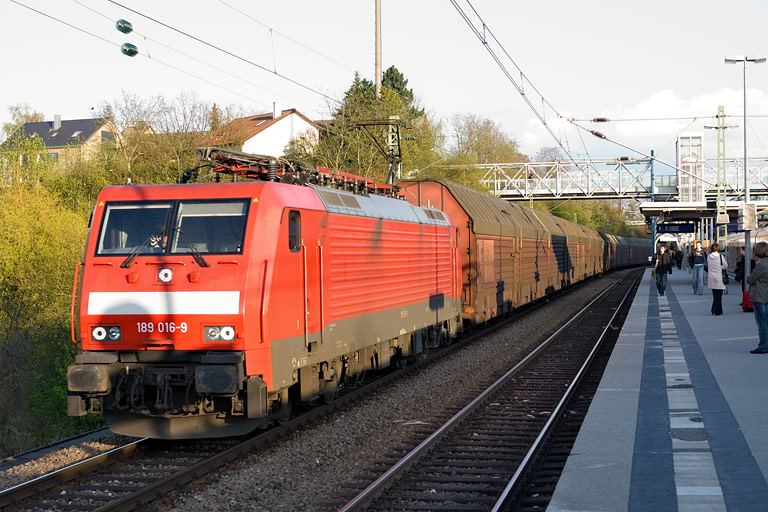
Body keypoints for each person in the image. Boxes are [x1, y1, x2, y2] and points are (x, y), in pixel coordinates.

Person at [747, 242, 768, 353]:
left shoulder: (761, 265)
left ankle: (763, 346)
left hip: (760, 296)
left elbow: (750, 279)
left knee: (762, 323)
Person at [707, 243, 726, 315]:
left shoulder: (709, 256)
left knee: (715, 294)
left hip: (711, 277)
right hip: (719, 278)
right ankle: (715, 310)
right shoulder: (720, 257)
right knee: (719, 295)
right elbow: (725, 265)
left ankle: (719, 310)